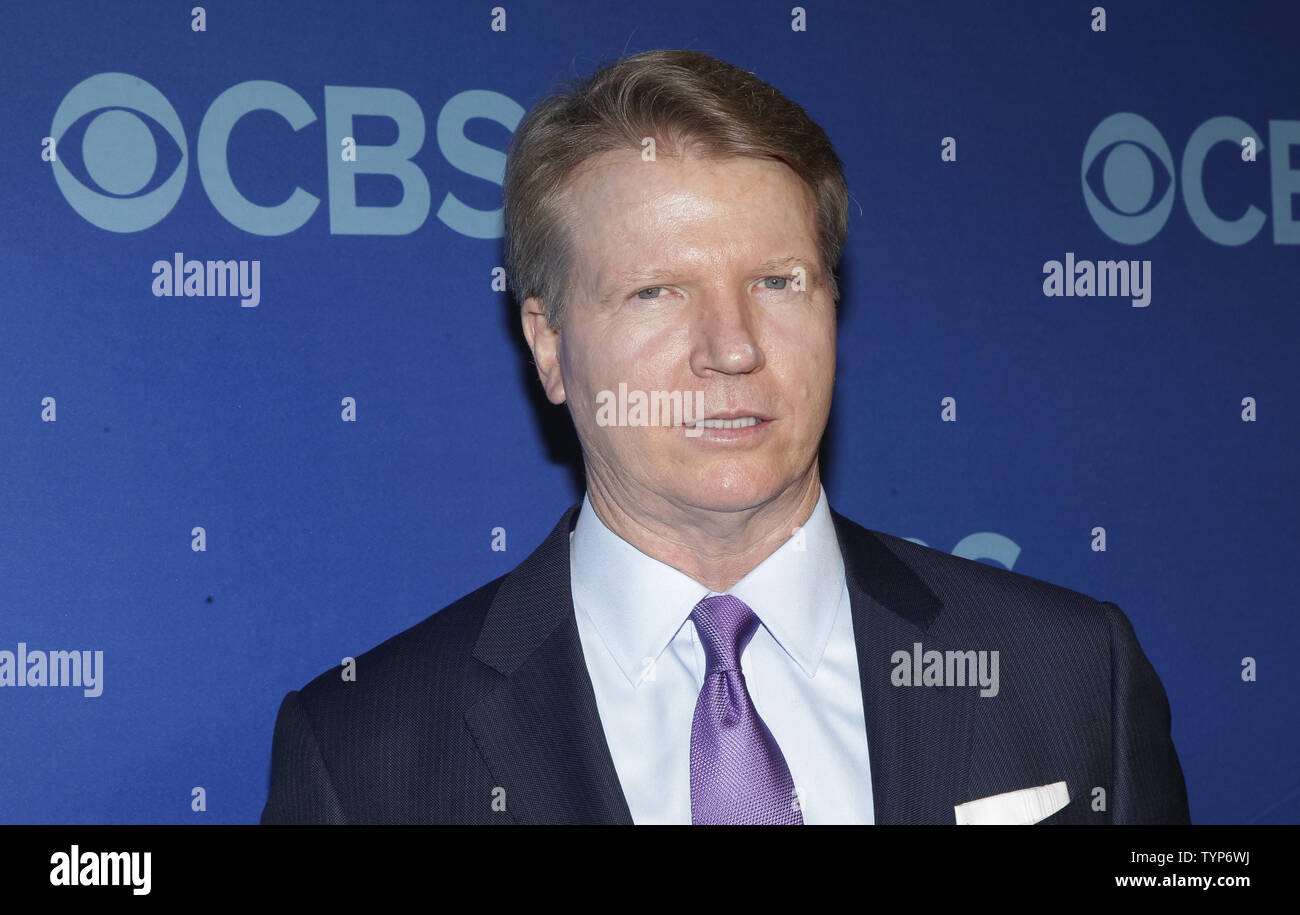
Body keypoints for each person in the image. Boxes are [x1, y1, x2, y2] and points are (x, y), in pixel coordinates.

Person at [261, 48, 1189, 824]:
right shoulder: (363, 753)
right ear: (549, 347)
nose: (734, 348)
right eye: (657, 291)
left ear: (834, 302)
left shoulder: (1071, 671)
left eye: (779, 282)